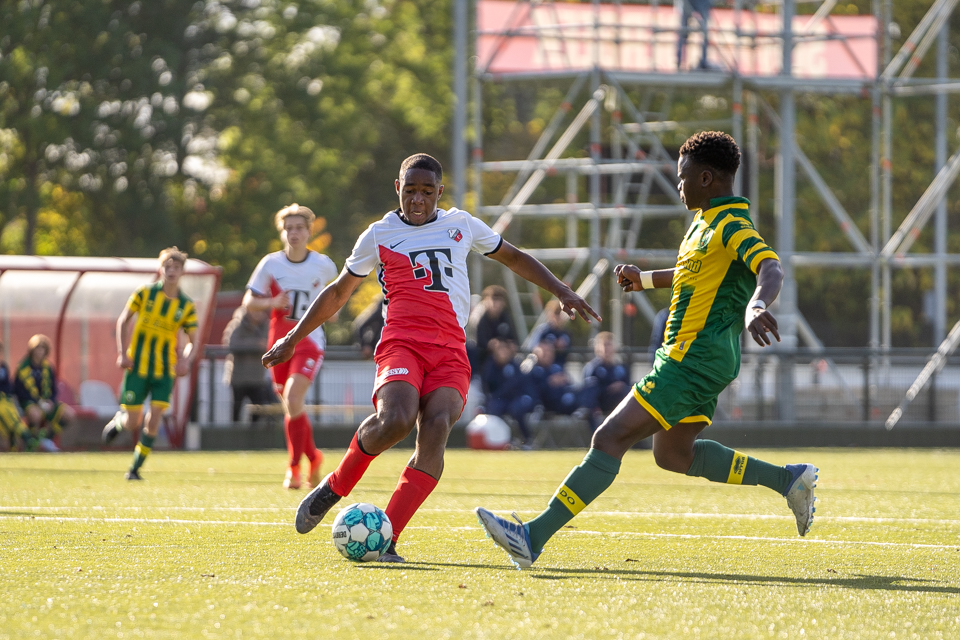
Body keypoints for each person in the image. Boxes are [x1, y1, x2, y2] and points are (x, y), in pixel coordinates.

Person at [476, 131, 818, 568]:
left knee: (609, 436)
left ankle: (532, 537)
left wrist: (755, 304)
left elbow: (769, 266)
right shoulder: (705, 223)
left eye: (683, 178)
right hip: (700, 359)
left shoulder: (732, 224)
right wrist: (645, 279)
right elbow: (691, 274)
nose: (678, 185)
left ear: (707, 178)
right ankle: (789, 480)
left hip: (690, 360)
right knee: (672, 455)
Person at [263, 153, 600, 562]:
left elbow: (513, 257)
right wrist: (295, 337)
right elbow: (337, 293)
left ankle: (387, 540)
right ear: (397, 189)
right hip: (402, 343)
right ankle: (334, 485)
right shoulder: (379, 233)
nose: (418, 199)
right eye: (410, 190)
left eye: (427, 191)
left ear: (439, 192)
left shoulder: (461, 224)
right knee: (396, 420)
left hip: (451, 351)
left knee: (437, 426)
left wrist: (561, 289)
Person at [244, 204, 339, 490]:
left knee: (293, 398)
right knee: (291, 406)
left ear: (309, 231)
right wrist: (271, 303)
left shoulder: (323, 265)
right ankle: (313, 456)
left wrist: (329, 311)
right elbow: (249, 302)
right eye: (289, 228)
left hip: (309, 342)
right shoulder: (270, 264)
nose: (294, 233)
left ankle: (294, 468)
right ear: (282, 232)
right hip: (278, 345)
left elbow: (335, 305)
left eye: (299, 227)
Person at [101, 248, 199, 479]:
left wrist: (185, 360)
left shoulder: (186, 305)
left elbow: (193, 341)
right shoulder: (144, 293)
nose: (171, 271)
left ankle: (135, 468)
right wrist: (122, 353)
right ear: (160, 269)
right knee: (133, 421)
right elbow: (123, 320)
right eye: (167, 266)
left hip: (165, 372)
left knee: (154, 420)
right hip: (138, 368)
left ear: (182, 271)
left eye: (176, 267)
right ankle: (119, 422)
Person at [14, 334, 75, 452]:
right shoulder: (23, 368)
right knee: (35, 414)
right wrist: (37, 402)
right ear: (32, 349)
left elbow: (53, 388)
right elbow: (19, 390)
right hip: (29, 402)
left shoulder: (48, 368)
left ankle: (47, 438)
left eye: (42, 348)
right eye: (37, 348)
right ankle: (32, 442)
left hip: (46, 401)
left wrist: (50, 401)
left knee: (69, 415)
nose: (40, 351)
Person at [222, 306, 276, 422]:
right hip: (238, 378)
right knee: (236, 412)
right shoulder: (237, 324)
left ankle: (253, 436)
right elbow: (232, 344)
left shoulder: (266, 325)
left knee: (258, 411)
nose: (258, 315)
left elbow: (271, 344)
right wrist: (256, 345)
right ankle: (236, 436)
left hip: (257, 378)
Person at [479, 338, 537, 447]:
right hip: (500, 399)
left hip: (515, 398)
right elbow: (487, 386)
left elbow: (517, 385)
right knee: (493, 409)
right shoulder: (490, 366)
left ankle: (527, 439)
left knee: (517, 409)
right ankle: (505, 440)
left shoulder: (515, 365)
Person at [581, 331, 631, 430]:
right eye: (604, 345)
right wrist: (608, 388)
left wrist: (621, 386)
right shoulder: (592, 368)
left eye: (609, 345)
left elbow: (628, 385)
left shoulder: (621, 367)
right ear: (597, 347)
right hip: (601, 401)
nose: (606, 348)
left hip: (617, 400)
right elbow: (590, 389)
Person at [468, 285, 517, 374]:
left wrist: (509, 345)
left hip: (503, 357)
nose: (496, 304)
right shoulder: (479, 317)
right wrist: (493, 345)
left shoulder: (505, 316)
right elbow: (477, 341)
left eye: (499, 300)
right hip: (480, 357)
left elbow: (512, 337)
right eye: (493, 299)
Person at [0, 339, 29, 452]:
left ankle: (21, 440)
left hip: (6, 400)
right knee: (5, 418)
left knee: (9, 416)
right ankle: (24, 434)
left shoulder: (3, 367)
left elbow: (8, 387)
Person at [526, 299, 572, 366]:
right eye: (556, 313)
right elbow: (532, 346)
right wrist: (545, 349)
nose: (559, 316)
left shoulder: (565, 333)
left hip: (559, 366)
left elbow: (570, 352)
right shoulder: (543, 330)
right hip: (542, 366)